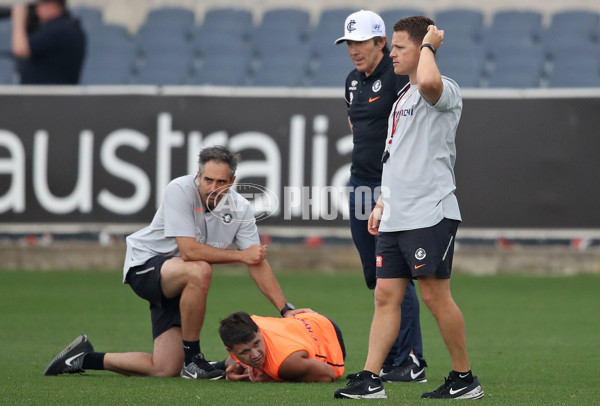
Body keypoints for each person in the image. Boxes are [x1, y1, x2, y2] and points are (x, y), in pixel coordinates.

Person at [44, 145, 310, 379]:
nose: (213, 188)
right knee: (199, 270)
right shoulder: (180, 189)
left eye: (221, 182)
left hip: (178, 280)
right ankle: (194, 360)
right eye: (207, 180)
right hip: (146, 267)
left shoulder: (240, 208)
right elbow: (189, 251)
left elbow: (257, 262)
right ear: (198, 176)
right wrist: (241, 255)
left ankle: (81, 358)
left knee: (164, 368)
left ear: (233, 181)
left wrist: (285, 308)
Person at [334, 16, 484, 400]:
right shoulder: (402, 99)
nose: (393, 54)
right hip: (397, 212)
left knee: (435, 296)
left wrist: (431, 48)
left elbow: (430, 81)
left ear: (422, 49)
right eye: (393, 46)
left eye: (400, 47)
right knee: (385, 294)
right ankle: (370, 378)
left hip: (430, 211)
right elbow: (394, 158)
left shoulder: (443, 89)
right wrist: (383, 202)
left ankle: (464, 377)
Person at [334, 10, 426, 382]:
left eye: (361, 43)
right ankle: (390, 357)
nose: (354, 50)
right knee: (375, 276)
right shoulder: (352, 82)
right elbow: (357, 127)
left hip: (389, 189)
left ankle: (411, 360)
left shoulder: (398, 77)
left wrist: (390, 190)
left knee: (394, 275)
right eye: (349, 43)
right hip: (359, 185)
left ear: (380, 43)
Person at [218, 310, 345, 382]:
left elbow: (327, 375)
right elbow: (233, 360)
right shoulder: (249, 323)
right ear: (230, 350)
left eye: (257, 343)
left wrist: (273, 379)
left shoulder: (285, 363)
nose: (255, 354)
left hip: (329, 336)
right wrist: (236, 366)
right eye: (245, 352)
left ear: (259, 331)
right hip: (304, 321)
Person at [11, 0, 85, 84]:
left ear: (52, 4)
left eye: (39, 4)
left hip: (48, 94)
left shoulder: (61, 29)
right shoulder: (68, 26)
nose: (36, 9)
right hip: (46, 93)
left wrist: (19, 18)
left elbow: (20, 49)